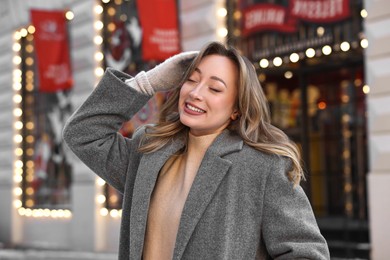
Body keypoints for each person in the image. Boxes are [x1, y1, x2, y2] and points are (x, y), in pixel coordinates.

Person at [63, 41, 330, 260]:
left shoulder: (261, 165)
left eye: (214, 88)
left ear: (237, 108)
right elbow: (83, 133)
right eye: (191, 80)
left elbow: (307, 254)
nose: (196, 93)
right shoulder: (151, 149)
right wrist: (150, 82)